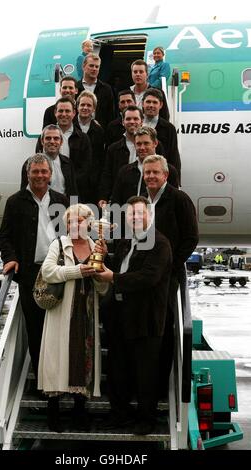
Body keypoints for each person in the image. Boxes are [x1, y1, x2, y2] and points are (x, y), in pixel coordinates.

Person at [95, 196, 172, 434]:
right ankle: (119, 415)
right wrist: (107, 256)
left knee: (145, 372)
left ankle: (146, 419)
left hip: (145, 318)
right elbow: (121, 268)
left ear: (150, 215)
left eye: (139, 213)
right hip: (120, 316)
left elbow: (148, 277)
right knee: (119, 369)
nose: (135, 217)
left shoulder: (160, 243)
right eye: (131, 214)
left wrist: (114, 279)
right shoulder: (127, 241)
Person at [0, 154, 69, 383]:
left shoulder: (62, 201)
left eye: (43, 172)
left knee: (60, 331)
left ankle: (62, 380)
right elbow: (5, 237)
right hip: (30, 276)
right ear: (27, 174)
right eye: (35, 171)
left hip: (59, 274)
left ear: (50, 175)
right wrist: (10, 257)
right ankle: (42, 383)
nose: (39, 175)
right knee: (36, 331)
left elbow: (71, 235)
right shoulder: (15, 201)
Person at [38, 204, 108, 432]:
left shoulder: (95, 246)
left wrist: (99, 270)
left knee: (83, 356)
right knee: (57, 359)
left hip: (86, 312)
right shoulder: (59, 244)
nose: (74, 225)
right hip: (61, 312)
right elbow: (48, 272)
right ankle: (53, 410)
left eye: (79, 221)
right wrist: (77, 271)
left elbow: (102, 288)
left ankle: (80, 410)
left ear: (88, 223)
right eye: (70, 221)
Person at [143, 155, 199, 396]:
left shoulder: (178, 199)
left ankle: (160, 387)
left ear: (166, 175)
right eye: (148, 173)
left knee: (164, 332)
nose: (151, 177)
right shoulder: (143, 202)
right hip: (144, 275)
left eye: (156, 172)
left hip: (166, 279)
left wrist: (172, 265)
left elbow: (191, 237)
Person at [111, 126, 178, 206]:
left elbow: (174, 202)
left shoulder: (169, 171)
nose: (142, 148)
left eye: (146, 143)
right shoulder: (124, 171)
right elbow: (116, 203)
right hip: (128, 217)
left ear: (155, 143)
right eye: (138, 144)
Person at [98, 105, 143, 207]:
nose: (132, 121)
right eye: (128, 119)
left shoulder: (153, 146)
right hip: (121, 199)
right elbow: (107, 174)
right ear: (123, 122)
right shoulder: (113, 148)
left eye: (136, 118)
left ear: (142, 121)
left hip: (144, 198)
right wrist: (103, 196)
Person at [21, 124, 78, 199]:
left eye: (56, 138)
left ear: (61, 142)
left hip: (63, 207)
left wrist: (75, 210)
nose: (52, 141)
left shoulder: (68, 163)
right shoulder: (30, 163)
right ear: (42, 141)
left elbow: (73, 192)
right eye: (48, 138)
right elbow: (24, 193)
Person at [142, 88, 181, 181]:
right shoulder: (136, 125)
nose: (151, 105)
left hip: (159, 178)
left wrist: (176, 181)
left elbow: (173, 156)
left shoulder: (169, 129)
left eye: (155, 102)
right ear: (143, 103)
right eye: (148, 102)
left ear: (161, 105)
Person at [75, 90, 105, 203]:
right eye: (82, 104)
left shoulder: (98, 130)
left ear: (94, 109)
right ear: (77, 107)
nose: (85, 108)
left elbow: (99, 158)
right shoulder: (70, 127)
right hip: (74, 182)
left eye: (89, 105)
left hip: (92, 184)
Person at [76, 53, 115, 129]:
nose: (94, 69)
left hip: (100, 135)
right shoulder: (75, 88)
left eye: (97, 67)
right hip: (78, 134)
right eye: (91, 66)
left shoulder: (106, 89)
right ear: (83, 67)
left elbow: (111, 115)